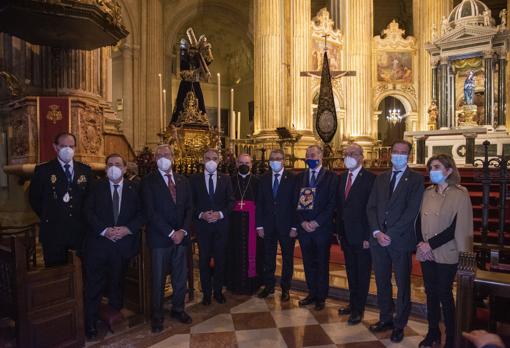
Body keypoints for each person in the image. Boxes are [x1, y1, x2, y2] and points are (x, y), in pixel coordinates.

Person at [366, 140, 424, 343]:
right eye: (396, 151)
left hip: (399, 240)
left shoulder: (416, 179)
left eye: (403, 152)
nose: (398, 155)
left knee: (402, 284)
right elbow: (371, 207)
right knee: (381, 282)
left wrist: (389, 233)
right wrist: (376, 232)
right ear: (390, 153)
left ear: (409, 155)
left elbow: (412, 211)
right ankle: (385, 318)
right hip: (378, 240)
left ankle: (400, 324)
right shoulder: (380, 178)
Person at [83, 153, 144, 340]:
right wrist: (104, 230)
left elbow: (142, 213)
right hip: (99, 245)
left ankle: (114, 317)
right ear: (105, 168)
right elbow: (87, 211)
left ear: (125, 168)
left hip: (123, 245)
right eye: (110, 164)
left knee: (117, 282)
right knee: (94, 285)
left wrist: (127, 229)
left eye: (118, 164)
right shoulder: (96, 186)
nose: (114, 167)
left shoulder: (135, 188)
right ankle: (91, 322)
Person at [417, 154, 473, 348]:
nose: (432, 170)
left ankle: (451, 337)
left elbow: (455, 228)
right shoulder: (427, 192)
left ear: (448, 170)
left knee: (444, 294)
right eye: (431, 167)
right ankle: (432, 333)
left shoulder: (460, 194)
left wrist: (430, 244)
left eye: (437, 167)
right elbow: (418, 221)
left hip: (446, 252)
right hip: (426, 253)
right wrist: (421, 245)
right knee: (430, 294)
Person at [141, 144, 193, 332]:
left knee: (180, 277)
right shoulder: (148, 181)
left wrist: (183, 231)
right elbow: (150, 212)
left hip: (181, 238)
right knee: (158, 279)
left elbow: (189, 208)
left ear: (173, 157)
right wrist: (171, 233)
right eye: (160, 154)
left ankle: (178, 309)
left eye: (167, 154)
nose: (164, 157)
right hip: (160, 239)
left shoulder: (182, 180)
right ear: (155, 159)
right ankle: (157, 315)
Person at [29, 132, 93, 267]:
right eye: (63, 146)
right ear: (55, 147)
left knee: (80, 271)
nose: (68, 150)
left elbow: (90, 199)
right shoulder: (43, 170)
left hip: (79, 231)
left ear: (75, 148)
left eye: (71, 146)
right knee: (56, 274)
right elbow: (34, 199)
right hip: (53, 232)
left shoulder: (85, 170)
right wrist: (50, 215)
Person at [336, 144, 376, 325]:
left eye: (352, 154)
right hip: (346, 235)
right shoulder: (342, 177)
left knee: (362, 274)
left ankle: (359, 310)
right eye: (346, 154)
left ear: (361, 156)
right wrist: (338, 231)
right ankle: (352, 305)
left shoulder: (370, 179)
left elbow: (372, 209)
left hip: (362, 236)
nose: (348, 157)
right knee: (351, 273)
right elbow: (339, 207)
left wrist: (369, 236)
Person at [295, 145, 338, 311]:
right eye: (307, 155)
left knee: (321, 263)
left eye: (312, 154)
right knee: (307, 262)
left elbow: (332, 204)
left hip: (321, 228)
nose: (309, 157)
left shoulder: (331, 177)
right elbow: (295, 202)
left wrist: (316, 222)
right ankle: (311, 292)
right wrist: (303, 222)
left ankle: (321, 296)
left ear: (320, 156)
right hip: (304, 228)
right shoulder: (301, 177)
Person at [190, 148, 235, 305]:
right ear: (202, 160)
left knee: (220, 260)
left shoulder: (226, 179)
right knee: (203, 261)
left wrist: (220, 214)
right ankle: (206, 294)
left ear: (219, 160)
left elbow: (231, 201)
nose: (211, 161)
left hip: (221, 227)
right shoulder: (194, 179)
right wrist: (201, 214)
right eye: (207, 158)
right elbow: (190, 204)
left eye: (214, 158)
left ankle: (218, 292)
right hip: (203, 227)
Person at [256, 149, 297, 302]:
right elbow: (259, 204)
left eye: (278, 158)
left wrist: (295, 226)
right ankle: (269, 286)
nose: (275, 161)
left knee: (287, 258)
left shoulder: (292, 178)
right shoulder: (264, 178)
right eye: (272, 158)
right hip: (267, 226)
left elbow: (295, 204)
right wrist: (259, 226)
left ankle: (286, 288)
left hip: (287, 226)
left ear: (284, 160)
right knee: (268, 256)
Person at [226, 153, 262, 295]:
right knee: (233, 251)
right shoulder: (229, 181)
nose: (244, 166)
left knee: (252, 252)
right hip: (233, 224)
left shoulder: (257, 181)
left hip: (252, 224)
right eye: (241, 163)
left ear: (251, 165)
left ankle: (251, 285)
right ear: (236, 164)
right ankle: (233, 283)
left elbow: (261, 204)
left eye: (247, 163)